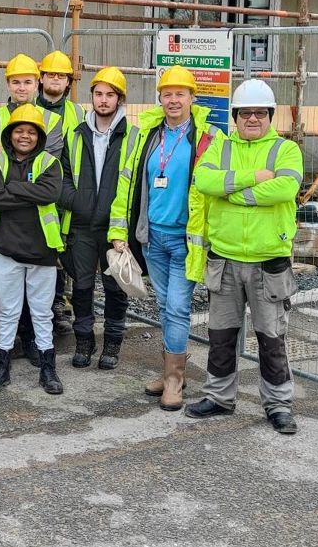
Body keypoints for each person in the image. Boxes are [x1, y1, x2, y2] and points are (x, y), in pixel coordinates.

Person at [186, 79, 303, 435]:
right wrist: (255, 178)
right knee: (220, 334)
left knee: (271, 338)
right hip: (224, 257)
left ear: (269, 115)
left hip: (269, 261)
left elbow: (286, 187)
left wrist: (233, 192)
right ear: (235, 116)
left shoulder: (286, 150)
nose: (252, 118)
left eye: (259, 113)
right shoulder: (220, 147)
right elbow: (204, 181)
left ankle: (279, 404)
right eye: (245, 113)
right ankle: (219, 397)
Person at [109, 66, 222, 411]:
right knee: (163, 306)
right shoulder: (148, 134)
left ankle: (174, 379)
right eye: (167, 94)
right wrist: (118, 230)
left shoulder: (209, 137)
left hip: (186, 241)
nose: (173, 100)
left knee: (176, 306)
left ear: (192, 98)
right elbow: (126, 182)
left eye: (180, 93)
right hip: (151, 237)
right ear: (160, 98)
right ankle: (171, 370)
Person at [0, 53, 63, 366]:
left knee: (39, 302)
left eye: (28, 81)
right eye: (16, 81)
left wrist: (12, 184)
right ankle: (4, 350)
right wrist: (29, 188)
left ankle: (34, 346)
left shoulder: (52, 121)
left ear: (37, 82)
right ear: (8, 83)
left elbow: (47, 167)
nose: (22, 87)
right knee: (5, 298)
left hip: (38, 234)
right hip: (6, 231)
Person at [59, 66, 136, 370]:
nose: (103, 100)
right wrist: (77, 203)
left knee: (116, 288)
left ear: (120, 99)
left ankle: (113, 344)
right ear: (91, 96)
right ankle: (84, 341)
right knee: (81, 287)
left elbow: (135, 184)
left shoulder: (133, 137)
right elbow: (62, 177)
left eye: (110, 95)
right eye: (99, 94)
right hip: (81, 225)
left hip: (115, 227)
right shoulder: (75, 135)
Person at [37, 50, 86, 334]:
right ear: (41, 78)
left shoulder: (77, 113)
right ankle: (37, 312)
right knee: (38, 253)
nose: (55, 79)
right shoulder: (28, 106)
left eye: (61, 75)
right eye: (50, 74)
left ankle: (57, 307)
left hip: (66, 193)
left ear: (68, 82)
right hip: (36, 191)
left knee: (60, 252)